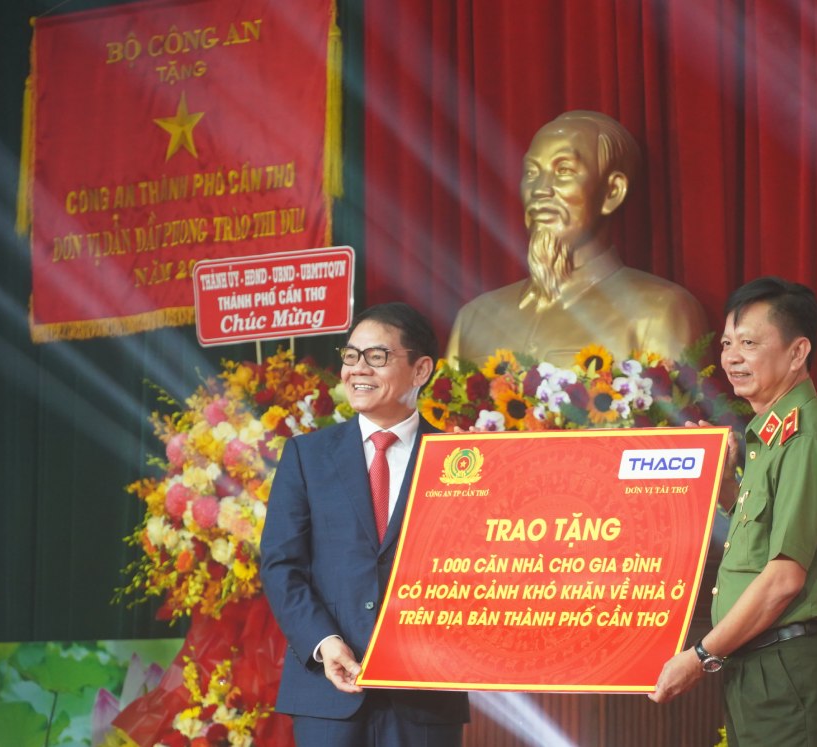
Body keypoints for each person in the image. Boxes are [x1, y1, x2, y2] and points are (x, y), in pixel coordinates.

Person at [649, 277, 817, 746]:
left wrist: (700, 656)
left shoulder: (805, 438)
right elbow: (762, 539)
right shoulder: (771, 435)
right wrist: (725, 486)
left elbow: (784, 578)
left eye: (749, 343)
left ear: (797, 352)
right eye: (727, 343)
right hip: (760, 667)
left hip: (789, 669)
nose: (732, 358)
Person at [261, 302, 469, 746]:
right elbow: (281, 566)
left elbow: (478, 568)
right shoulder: (307, 456)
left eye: (376, 356)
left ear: (420, 370)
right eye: (351, 355)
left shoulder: (460, 461)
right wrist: (324, 642)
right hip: (328, 691)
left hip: (425, 693)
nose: (358, 369)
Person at [446, 110, 708, 367]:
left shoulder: (660, 312)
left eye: (564, 170)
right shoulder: (473, 319)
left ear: (612, 191)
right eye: (532, 173)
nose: (540, 190)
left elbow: (677, 397)